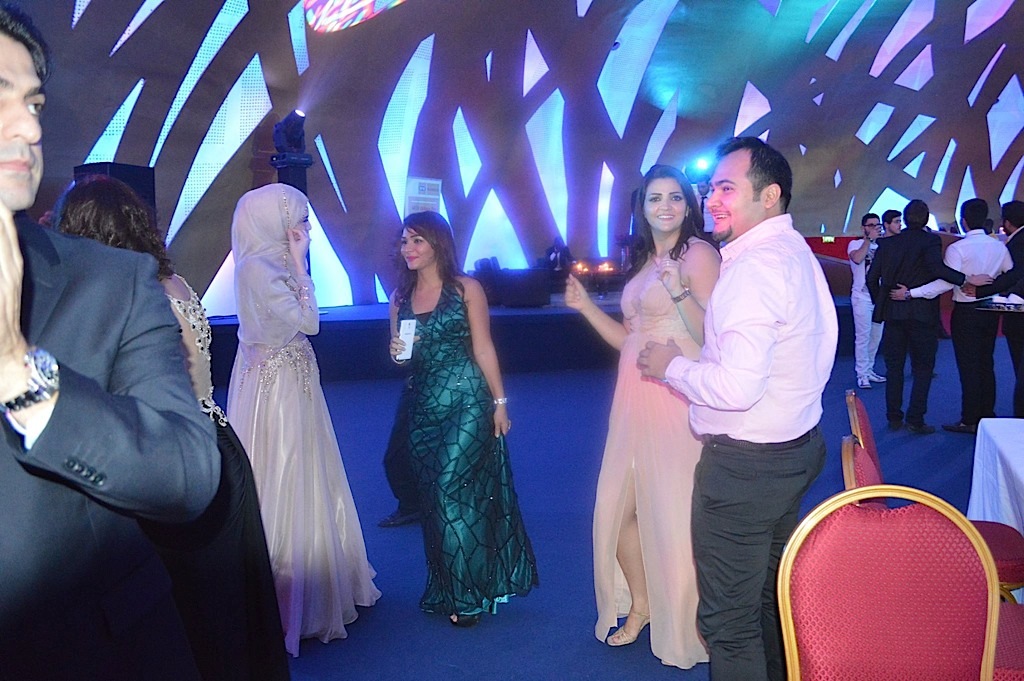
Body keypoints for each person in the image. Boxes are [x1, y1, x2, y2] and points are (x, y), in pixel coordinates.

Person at [0, 5, 220, 678]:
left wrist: (20, 374)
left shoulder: (111, 282)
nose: (30, 127)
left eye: (34, 102)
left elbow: (189, 473)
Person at [55, 175, 290, 681]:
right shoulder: (172, 283)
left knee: (191, 615)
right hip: (218, 449)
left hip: (170, 461)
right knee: (228, 607)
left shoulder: (123, 303)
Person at [637, 137, 838, 681]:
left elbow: (736, 388)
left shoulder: (755, 268)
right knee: (766, 600)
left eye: (727, 188)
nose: (711, 200)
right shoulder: (791, 252)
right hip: (792, 450)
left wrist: (672, 367)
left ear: (769, 196)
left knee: (728, 620)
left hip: (748, 468)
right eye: (711, 189)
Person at [565, 164, 718, 668]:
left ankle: (685, 620)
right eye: (656, 198)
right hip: (633, 398)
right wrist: (586, 308)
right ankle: (644, 603)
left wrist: (678, 292)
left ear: (689, 205)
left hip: (675, 396)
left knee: (672, 514)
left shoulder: (698, 255)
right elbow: (631, 341)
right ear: (643, 207)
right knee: (619, 511)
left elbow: (713, 337)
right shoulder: (644, 260)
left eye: (675, 197)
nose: (665, 206)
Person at [227, 183, 379, 656]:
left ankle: (320, 579)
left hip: (287, 380)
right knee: (286, 470)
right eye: (300, 218)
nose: (306, 228)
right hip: (279, 390)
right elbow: (310, 322)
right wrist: (299, 265)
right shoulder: (261, 268)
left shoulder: (261, 263)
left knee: (309, 470)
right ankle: (291, 592)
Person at [387, 211, 538, 627]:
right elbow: (402, 359)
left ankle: (467, 595)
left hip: (469, 400)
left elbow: (484, 347)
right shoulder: (399, 298)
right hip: (423, 406)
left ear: (438, 243)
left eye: (417, 240)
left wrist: (500, 402)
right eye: (404, 241)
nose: (408, 249)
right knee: (433, 498)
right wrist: (396, 351)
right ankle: (449, 587)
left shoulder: (466, 289)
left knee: (449, 488)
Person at [867, 199, 991, 433]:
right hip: (923, 314)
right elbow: (937, 269)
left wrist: (883, 302)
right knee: (923, 369)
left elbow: (871, 279)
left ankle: (894, 418)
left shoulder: (887, 244)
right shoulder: (930, 240)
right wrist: (966, 279)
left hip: (894, 314)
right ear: (926, 219)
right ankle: (916, 419)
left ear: (905, 219)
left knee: (894, 368)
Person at [969, 200, 1024, 417]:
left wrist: (980, 290)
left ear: (1007, 223)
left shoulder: (1017, 244)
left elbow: (1015, 277)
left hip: (1019, 317)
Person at [848, 213, 886, 389]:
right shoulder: (855, 244)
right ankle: (862, 374)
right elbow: (857, 258)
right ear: (863, 227)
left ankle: (869, 369)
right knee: (863, 336)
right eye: (870, 225)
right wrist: (868, 240)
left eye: (877, 225)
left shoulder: (884, 246)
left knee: (876, 336)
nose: (874, 228)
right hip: (862, 296)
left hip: (879, 296)